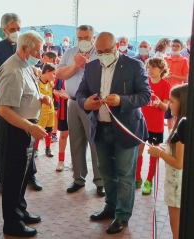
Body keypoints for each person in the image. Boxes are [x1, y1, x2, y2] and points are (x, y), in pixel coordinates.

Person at [76, 32, 151, 234]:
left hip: (126, 129)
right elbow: (81, 92)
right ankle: (110, 207)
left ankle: (122, 216)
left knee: (125, 175)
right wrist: (86, 103)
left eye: (107, 51)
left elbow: (146, 96)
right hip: (100, 128)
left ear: (116, 46)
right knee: (107, 173)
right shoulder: (91, 66)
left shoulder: (134, 65)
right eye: (98, 52)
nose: (102, 55)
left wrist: (122, 101)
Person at [0, 30, 51, 237]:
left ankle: (20, 210)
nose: (41, 54)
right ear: (25, 49)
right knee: (13, 178)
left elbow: (25, 95)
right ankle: (12, 223)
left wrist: (40, 100)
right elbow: (4, 110)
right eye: (38, 50)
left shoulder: (25, 66)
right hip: (16, 130)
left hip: (26, 128)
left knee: (23, 175)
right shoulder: (12, 70)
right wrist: (29, 127)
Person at [0, 13, 42, 191]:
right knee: (8, 149)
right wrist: (16, 83)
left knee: (26, 151)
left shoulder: (25, 49)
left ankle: (29, 176)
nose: (16, 32)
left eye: (18, 28)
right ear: (4, 30)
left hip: (25, 109)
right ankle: (4, 179)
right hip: (8, 104)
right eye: (12, 29)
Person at [56, 25, 104, 196]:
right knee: (75, 142)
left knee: (95, 143)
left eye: (87, 37)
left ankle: (100, 181)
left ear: (94, 37)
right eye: (80, 37)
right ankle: (78, 179)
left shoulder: (100, 53)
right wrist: (75, 67)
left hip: (92, 103)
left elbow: (104, 78)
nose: (83, 40)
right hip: (73, 103)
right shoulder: (70, 52)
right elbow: (59, 73)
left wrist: (86, 66)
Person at [147, 84, 188, 239]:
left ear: (183, 103)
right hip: (175, 184)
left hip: (177, 185)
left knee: (176, 227)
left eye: (172, 101)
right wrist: (164, 148)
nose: (169, 105)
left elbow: (179, 163)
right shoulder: (180, 123)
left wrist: (159, 153)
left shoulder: (183, 126)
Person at [135, 58, 171, 194]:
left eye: (152, 67)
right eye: (148, 67)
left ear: (161, 70)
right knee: (138, 151)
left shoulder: (165, 85)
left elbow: (166, 107)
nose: (149, 70)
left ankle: (149, 180)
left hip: (156, 126)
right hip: (141, 123)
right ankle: (137, 177)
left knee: (153, 153)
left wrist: (158, 103)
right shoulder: (144, 83)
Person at [164, 39, 189, 131]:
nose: (175, 47)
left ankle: (176, 136)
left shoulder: (184, 60)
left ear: (181, 47)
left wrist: (173, 76)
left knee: (177, 115)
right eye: (173, 45)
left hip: (178, 93)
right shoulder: (165, 59)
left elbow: (185, 78)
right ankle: (170, 137)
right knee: (168, 116)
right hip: (166, 92)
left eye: (177, 46)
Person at [33, 63, 55, 158]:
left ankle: (48, 148)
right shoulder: (37, 83)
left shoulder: (51, 83)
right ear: (47, 71)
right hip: (41, 112)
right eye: (53, 74)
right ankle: (36, 149)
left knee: (49, 131)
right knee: (39, 131)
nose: (54, 76)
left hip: (50, 111)